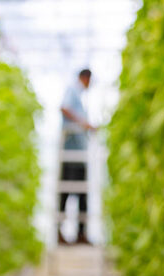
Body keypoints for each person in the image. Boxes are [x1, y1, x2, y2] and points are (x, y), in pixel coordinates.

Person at [59, 69, 95, 244]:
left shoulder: (78, 95)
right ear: (85, 78)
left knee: (81, 195)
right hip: (71, 153)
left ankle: (81, 234)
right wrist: (84, 124)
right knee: (67, 193)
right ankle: (64, 233)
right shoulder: (73, 90)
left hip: (78, 154)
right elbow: (64, 108)